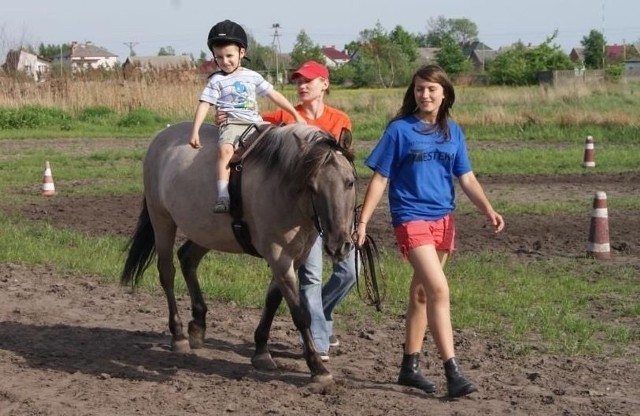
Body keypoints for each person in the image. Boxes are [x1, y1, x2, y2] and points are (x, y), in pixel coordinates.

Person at [354, 64, 505, 398]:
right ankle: (453, 371)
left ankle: (409, 367)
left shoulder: (453, 131)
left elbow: (465, 177)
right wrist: (363, 221)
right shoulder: (399, 131)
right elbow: (380, 178)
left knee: (422, 293)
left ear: (444, 93)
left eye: (431, 89)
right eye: (419, 89)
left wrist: (488, 209)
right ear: (413, 92)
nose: (425, 94)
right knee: (439, 291)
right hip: (410, 218)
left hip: (444, 220)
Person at [216, 60, 356, 361]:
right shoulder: (283, 117)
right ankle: (317, 344)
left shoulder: (340, 119)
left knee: (348, 274)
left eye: (308, 80)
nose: (301, 85)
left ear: (324, 84)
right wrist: (227, 116)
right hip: (302, 215)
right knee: (311, 279)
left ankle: (321, 315)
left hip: (335, 213)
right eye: (298, 81)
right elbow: (250, 125)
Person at [188, 19, 305, 214]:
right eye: (219, 57)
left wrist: (294, 114)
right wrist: (195, 131)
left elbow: (273, 94)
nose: (225, 61)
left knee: (278, 147)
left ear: (242, 52)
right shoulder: (216, 81)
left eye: (229, 56)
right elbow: (204, 104)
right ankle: (223, 195)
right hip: (232, 124)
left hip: (256, 122)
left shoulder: (252, 76)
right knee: (225, 152)